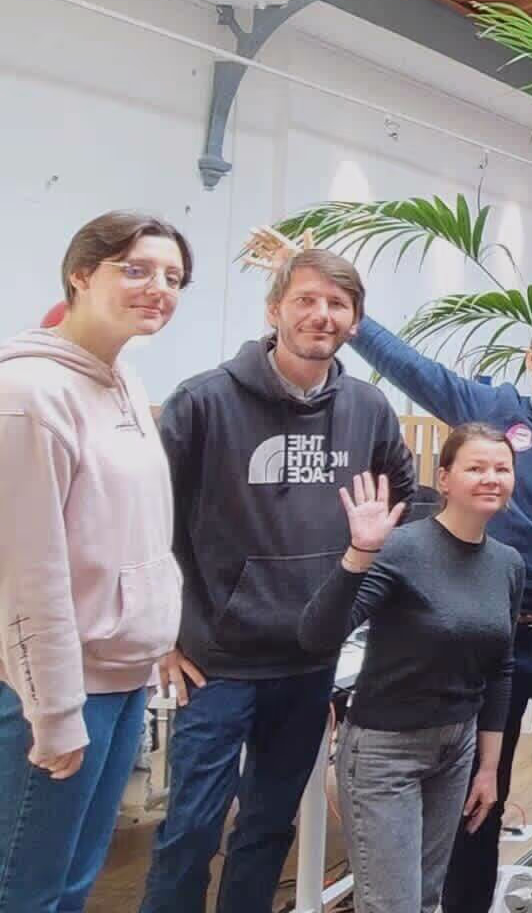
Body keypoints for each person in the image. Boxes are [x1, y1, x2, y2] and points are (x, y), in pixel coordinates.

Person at [344, 302, 532, 913]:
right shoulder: (490, 410)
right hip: (488, 636)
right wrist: (355, 320)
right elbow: (413, 368)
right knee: (476, 797)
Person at [141, 248, 417, 913]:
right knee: (191, 829)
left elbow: (405, 505)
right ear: (275, 310)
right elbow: (148, 521)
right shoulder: (203, 402)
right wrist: (166, 633)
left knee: (268, 827)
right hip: (215, 661)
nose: (321, 315)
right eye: (307, 300)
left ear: (354, 322)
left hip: (308, 661)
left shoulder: (369, 409)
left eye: (337, 305)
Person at [0, 212, 189, 913]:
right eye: (135, 270)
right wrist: (52, 711)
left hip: (121, 676)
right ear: (81, 274)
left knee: (75, 882)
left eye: (173, 277)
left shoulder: (125, 383)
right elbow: (30, 569)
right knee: (26, 889)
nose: (158, 289)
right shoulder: (28, 394)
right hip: (52, 687)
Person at [298, 426, 524, 913]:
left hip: (457, 749)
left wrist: (488, 768)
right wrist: (360, 552)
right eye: (476, 467)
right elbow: (316, 636)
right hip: (386, 751)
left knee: (423, 900)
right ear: (444, 478)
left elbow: (500, 668)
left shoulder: (508, 563)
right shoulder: (401, 548)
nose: (491, 477)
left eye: (501, 469)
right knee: (391, 905)